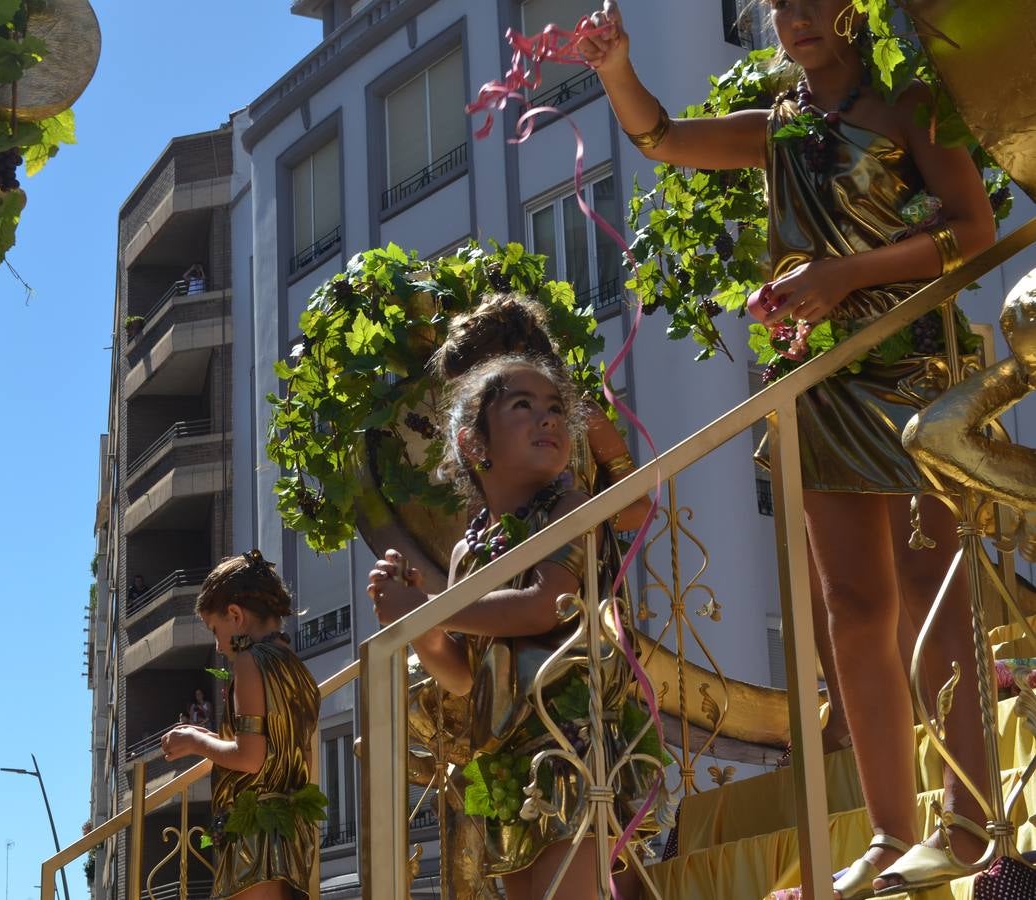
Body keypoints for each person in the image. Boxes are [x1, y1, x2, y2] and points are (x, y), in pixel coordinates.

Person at [580, 1, 997, 896]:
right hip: (828, 384)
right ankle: (892, 834)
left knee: (932, 592)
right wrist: (615, 67)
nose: (797, 16)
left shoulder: (911, 103)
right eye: (781, 3)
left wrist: (841, 274)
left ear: (852, 8)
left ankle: (969, 825)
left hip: (919, 369)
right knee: (852, 605)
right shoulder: (778, 127)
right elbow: (660, 138)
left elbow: (975, 229)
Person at [368, 297, 654, 900]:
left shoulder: (569, 505)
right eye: (522, 406)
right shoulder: (470, 550)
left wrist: (431, 610)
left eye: (555, 408)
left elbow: (543, 605)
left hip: (567, 737)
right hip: (505, 752)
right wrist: (418, 627)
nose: (548, 419)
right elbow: (461, 676)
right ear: (474, 444)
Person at [162, 551, 321, 899]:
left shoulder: (250, 662)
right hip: (288, 832)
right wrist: (213, 738)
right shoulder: (298, 671)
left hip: (255, 840)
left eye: (215, 630)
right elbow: (288, 753)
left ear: (235, 615)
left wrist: (195, 742)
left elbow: (250, 758)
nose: (218, 646)